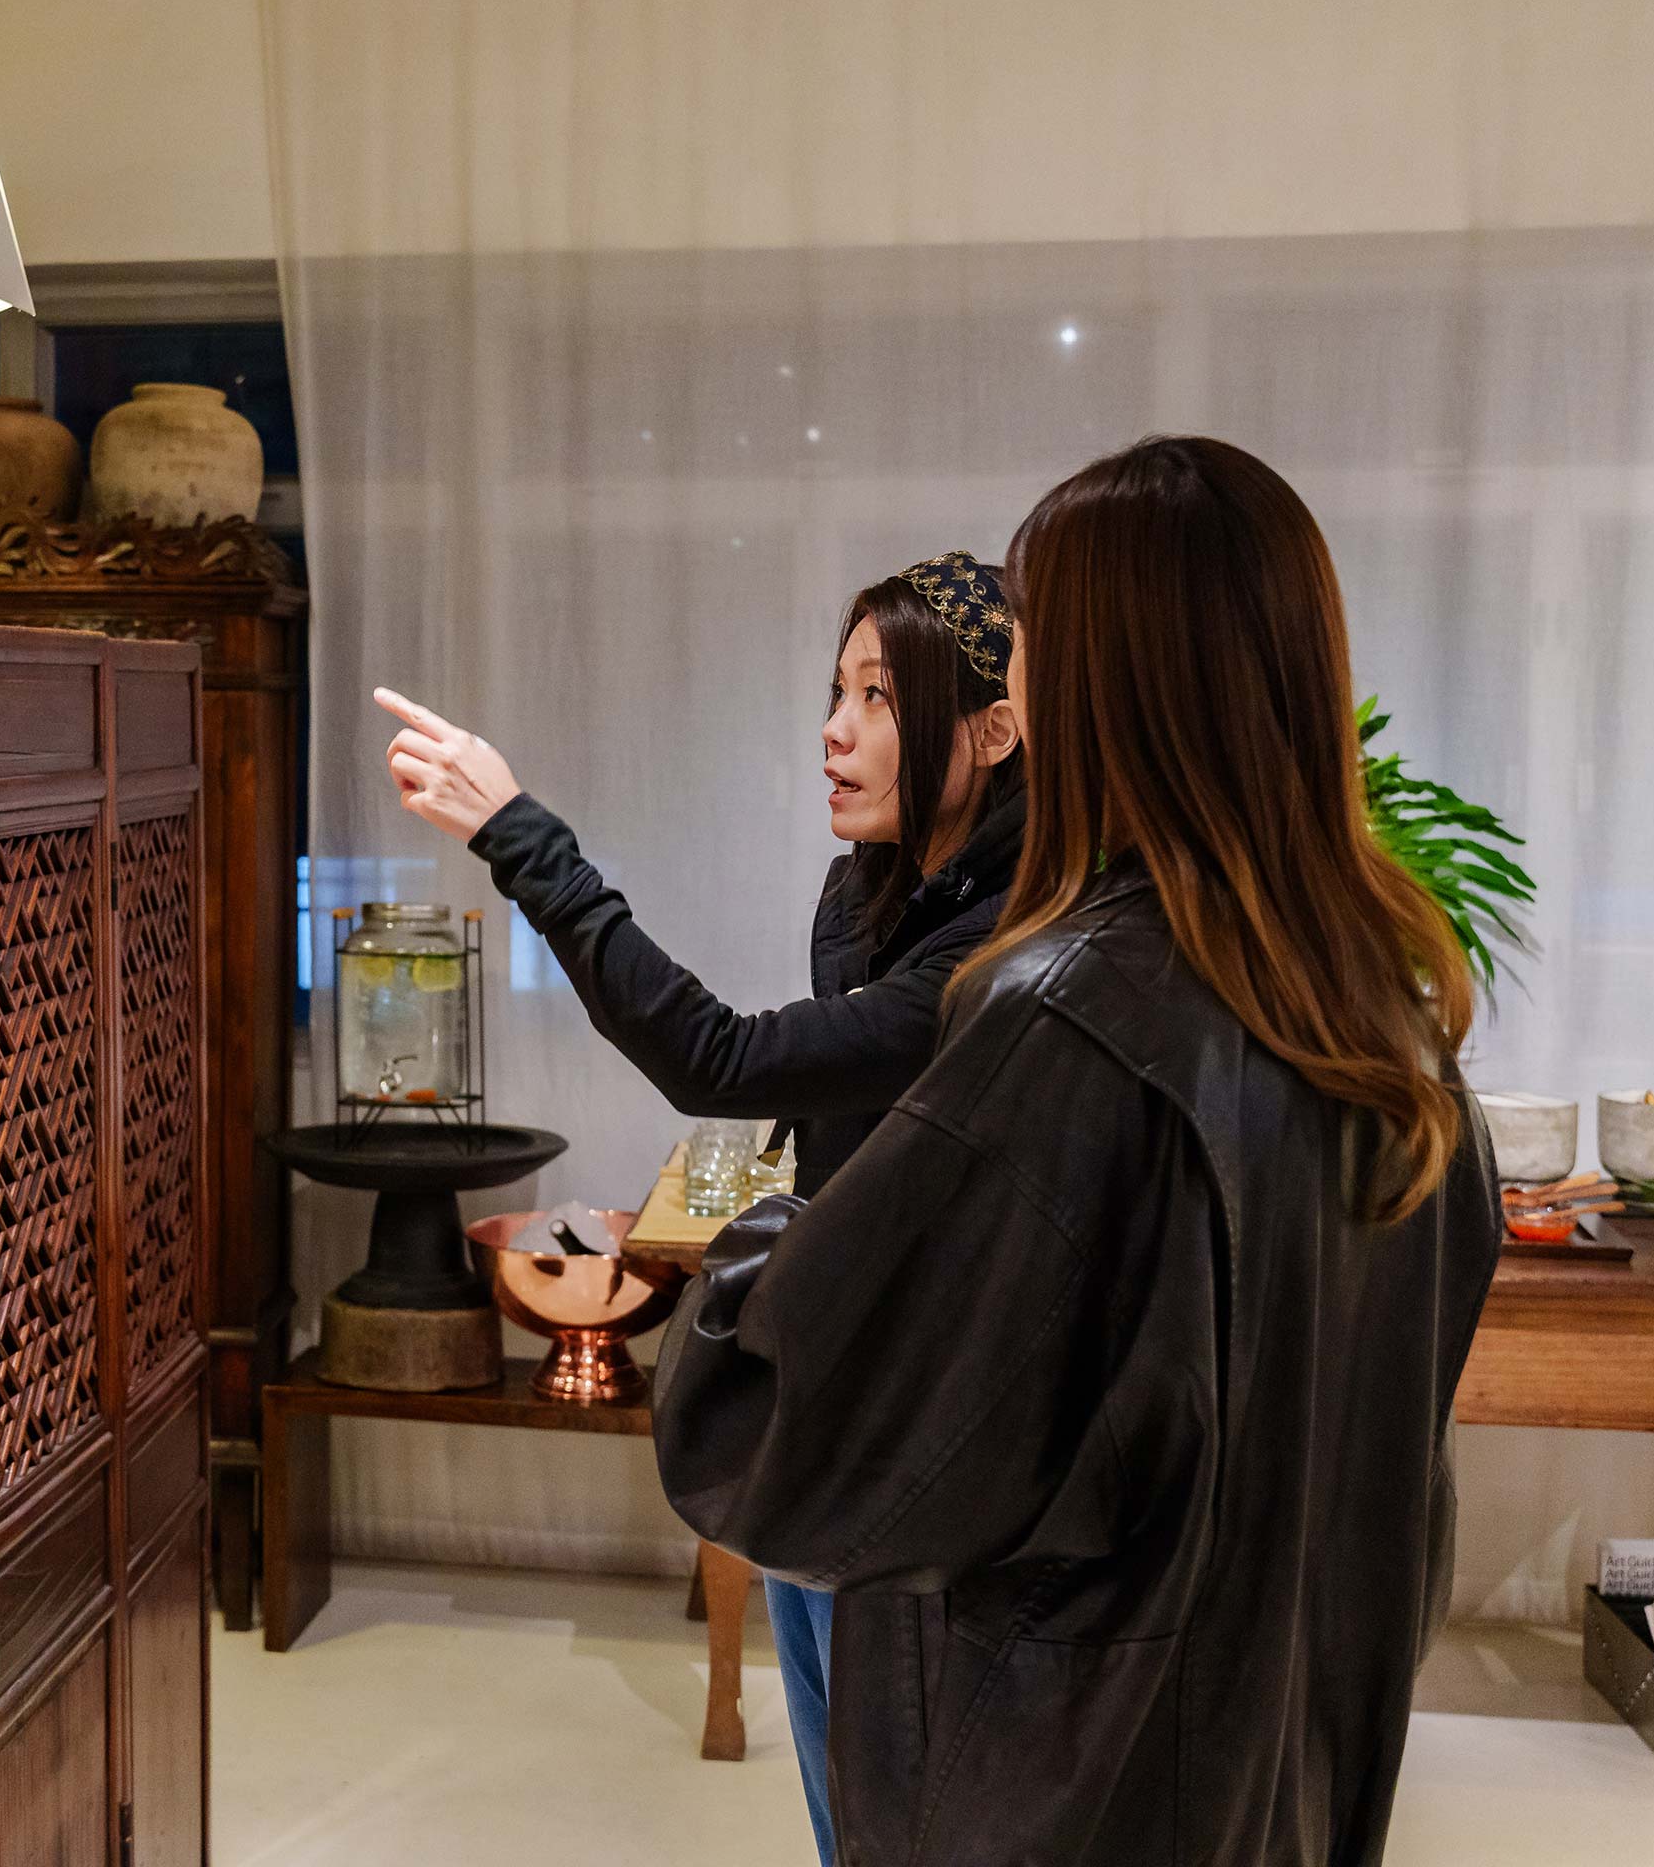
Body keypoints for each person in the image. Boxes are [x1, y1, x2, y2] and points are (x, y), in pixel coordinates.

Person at [651, 436, 1503, 1866]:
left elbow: (789, 1426)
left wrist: (779, 1241)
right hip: (1280, 1777)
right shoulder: (1394, 1037)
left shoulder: (1070, 1020)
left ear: (1104, 684)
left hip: (1065, 1790)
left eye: (1035, 642)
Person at [376, 551, 1027, 1866]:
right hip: (830, 1396)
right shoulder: (874, 888)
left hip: (922, 1444)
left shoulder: (1000, 947)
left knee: (901, 1814)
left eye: (881, 698)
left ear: (993, 732)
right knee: (845, 1802)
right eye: (836, 690)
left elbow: (722, 1059)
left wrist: (522, 838)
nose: (835, 731)